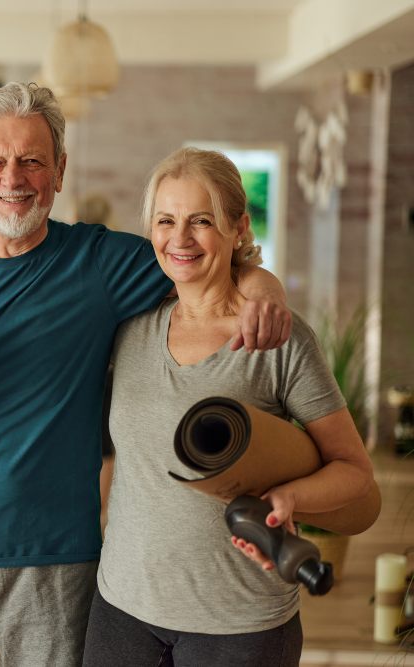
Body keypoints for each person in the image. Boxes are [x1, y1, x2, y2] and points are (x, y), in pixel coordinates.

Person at [0, 82, 291, 666]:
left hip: (56, 558)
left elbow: (208, 260)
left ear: (59, 170)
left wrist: (266, 288)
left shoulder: (101, 263)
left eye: (32, 160)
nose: (13, 178)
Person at [80, 147, 374, 666]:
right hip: (122, 609)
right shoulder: (129, 327)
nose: (180, 239)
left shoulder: (276, 336)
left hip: (240, 626)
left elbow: (354, 473)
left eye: (202, 221)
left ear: (239, 228)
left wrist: (289, 498)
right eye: (166, 220)